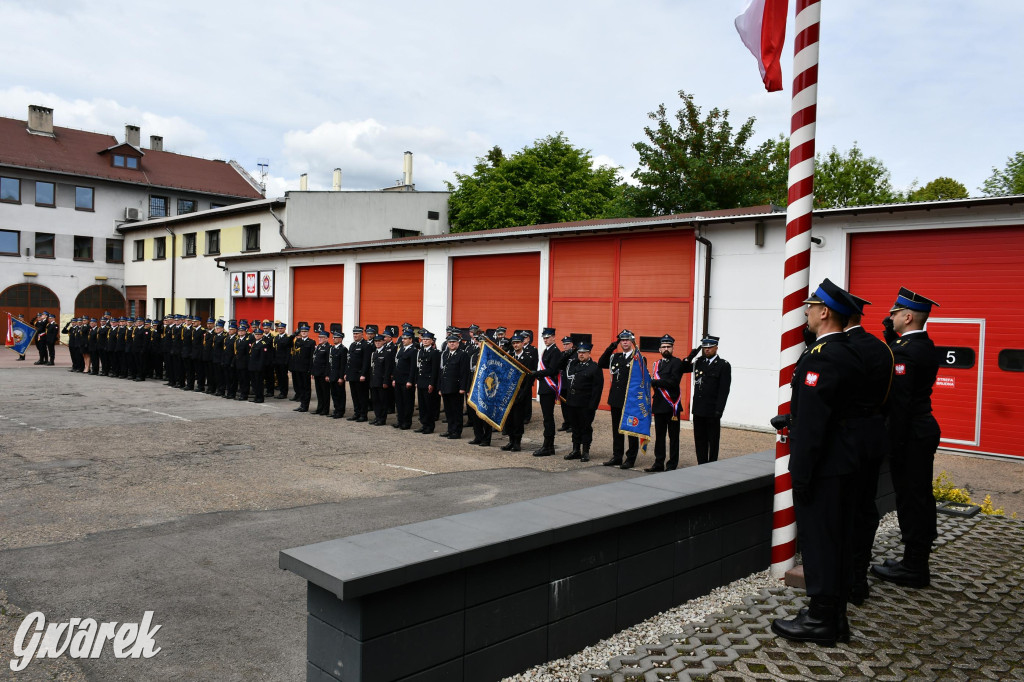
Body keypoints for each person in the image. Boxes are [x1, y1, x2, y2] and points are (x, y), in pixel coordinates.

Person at [771, 278, 864, 646]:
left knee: (820, 542)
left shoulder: (824, 356)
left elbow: (814, 425)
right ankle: (833, 615)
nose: (806, 312)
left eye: (810, 307)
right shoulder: (849, 350)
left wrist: (802, 472)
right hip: (844, 462)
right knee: (836, 539)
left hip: (824, 467)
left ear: (824, 312)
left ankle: (821, 620)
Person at [871, 287, 941, 590]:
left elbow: (900, 403)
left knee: (913, 499)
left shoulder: (906, 351)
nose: (891, 317)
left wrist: (893, 443)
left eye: (895, 312)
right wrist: (892, 342)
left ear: (908, 316)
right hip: (920, 429)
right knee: (917, 496)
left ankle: (914, 567)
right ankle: (913, 560)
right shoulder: (922, 345)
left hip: (910, 433)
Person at [843, 293, 895, 605]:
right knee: (864, 509)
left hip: (844, 442)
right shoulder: (881, 348)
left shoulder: (838, 348)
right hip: (873, 436)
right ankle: (858, 577)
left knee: (843, 512)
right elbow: (889, 397)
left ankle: (844, 580)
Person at [599, 330, 642, 469]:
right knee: (617, 430)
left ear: (632, 341)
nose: (625, 342)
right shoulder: (615, 357)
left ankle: (630, 458)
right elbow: (601, 362)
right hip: (616, 399)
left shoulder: (638, 357)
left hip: (630, 400)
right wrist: (611, 347)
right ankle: (617, 456)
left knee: (631, 430)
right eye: (622, 340)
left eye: (627, 340)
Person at [647, 334, 690, 472]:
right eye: (664, 346)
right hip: (659, 405)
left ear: (672, 348)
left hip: (672, 406)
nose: (666, 349)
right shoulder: (656, 364)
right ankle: (658, 463)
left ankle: (672, 464)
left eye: (669, 346)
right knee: (659, 437)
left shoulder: (676, 363)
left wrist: (655, 382)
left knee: (673, 437)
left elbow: (673, 382)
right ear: (659, 349)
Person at [686, 335, 732, 464]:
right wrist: (690, 357)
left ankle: (712, 465)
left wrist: (719, 409)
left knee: (713, 440)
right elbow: (682, 368)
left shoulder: (723, 365)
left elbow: (724, 390)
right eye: (705, 347)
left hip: (712, 410)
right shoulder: (699, 362)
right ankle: (701, 464)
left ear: (716, 347)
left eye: (710, 347)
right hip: (698, 409)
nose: (707, 349)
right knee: (699, 439)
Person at [532, 328, 570, 457]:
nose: (545, 340)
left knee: (548, 418)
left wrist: (537, 373)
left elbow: (552, 370)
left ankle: (548, 446)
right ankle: (548, 445)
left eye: (548, 337)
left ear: (553, 337)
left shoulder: (555, 351)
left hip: (549, 388)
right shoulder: (547, 351)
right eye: (544, 338)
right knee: (546, 418)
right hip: (544, 387)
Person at [562, 342, 603, 462]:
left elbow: (597, 389)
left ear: (589, 353)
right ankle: (576, 450)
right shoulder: (574, 364)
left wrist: (593, 406)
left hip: (586, 404)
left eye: (584, 352)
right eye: (579, 352)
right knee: (575, 427)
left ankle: (585, 451)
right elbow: (560, 364)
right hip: (572, 402)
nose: (581, 355)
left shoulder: (594, 368)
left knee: (585, 427)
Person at [501, 334, 538, 452]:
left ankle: (517, 442)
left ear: (522, 343)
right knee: (509, 418)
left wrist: (524, 393)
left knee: (518, 419)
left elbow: (530, 377)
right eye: (514, 343)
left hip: (521, 392)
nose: (515, 345)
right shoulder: (510, 356)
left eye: (518, 343)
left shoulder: (528, 358)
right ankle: (511, 441)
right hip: (509, 392)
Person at [438, 333, 470, 439]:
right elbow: (441, 372)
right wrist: (440, 387)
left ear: (458, 343)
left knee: (456, 411)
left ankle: (457, 431)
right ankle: (450, 429)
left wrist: (462, 388)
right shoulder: (445, 354)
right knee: (448, 410)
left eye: (454, 342)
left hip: (456, 387)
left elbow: (464, 373)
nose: (451, 344)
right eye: (450, 342)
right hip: (446, 386)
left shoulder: (462, 354)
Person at [415, 331, 441, 434]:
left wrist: (432, 383)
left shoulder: (434, 352)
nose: (425, 341)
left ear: (431, 341)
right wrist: (416, 381)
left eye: (427, 340)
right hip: (421, 381)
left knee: (429, 405)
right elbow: (418, 368)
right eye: (423, 339)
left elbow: (435, 370)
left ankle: (430, 426)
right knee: (422, 406)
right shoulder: (421, 351)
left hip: (428, 382)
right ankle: (424, 424)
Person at [392, 330, 417, 429]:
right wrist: (394, 378)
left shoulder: (413, 350)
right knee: (399, 402)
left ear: (411, 339)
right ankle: (400, 420)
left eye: (405, 339)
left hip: (406, 380)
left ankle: (406, 422)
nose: (403, 340)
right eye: (403, 339)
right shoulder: (401, 349)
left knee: (407, 402)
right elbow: (397, 365)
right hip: (398, 379)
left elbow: (413, 367)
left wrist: (410, 380)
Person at [346, 326, 372, 422]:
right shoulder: (352, 345)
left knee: (362, 396)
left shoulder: (366, 345)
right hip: (352, 374)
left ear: (362, 334)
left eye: (357, 334)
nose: (355, 335)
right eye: (354, 334)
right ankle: (356, 413)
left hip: (360, 375)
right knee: (354, 396)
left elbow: (366, 362)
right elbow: (349, 360)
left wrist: (363, 374)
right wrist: (346, 372)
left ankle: (363, 415)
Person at [369, 333, 393, 425]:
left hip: (382, 381)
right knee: (375, 400)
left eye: (379, 341)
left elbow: (388, 369)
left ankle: (382, 419)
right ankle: (377, 416)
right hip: (374, 380)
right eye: (376, 341)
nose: (377, 343)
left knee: (382, 401)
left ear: (383, 342)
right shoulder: (374, 353)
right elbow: (372, 368)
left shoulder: (387, 353)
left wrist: (386, 381)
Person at [290, 322, 315, 412]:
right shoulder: (297, 341)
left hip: (305, 368)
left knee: (306, 388)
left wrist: (310, 369)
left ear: (308, 332)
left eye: (305, 331)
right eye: (302, 331)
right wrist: (293, 335)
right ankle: (301, 404)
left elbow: (312, 357)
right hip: (297, 368)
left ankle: (305, 406)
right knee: (300, 387)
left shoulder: (311, 342)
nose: (304, 333)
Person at [311, 327, 332, 416]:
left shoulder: (328, 347)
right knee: (319, 392)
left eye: (322, 337)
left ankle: (325, 409)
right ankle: (319, 408)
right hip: (317, 373)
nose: (319, 338)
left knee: (325, 392)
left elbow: (328, 363)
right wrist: (313, 372)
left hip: (323, 373)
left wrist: (327, 374)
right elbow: (314, 360)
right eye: (319, 337)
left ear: (326, 338)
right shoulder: (318, 347)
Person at [328, 328, 348, 418]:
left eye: (335, 337)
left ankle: (340, 411)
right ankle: (336, 409)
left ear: (340, 339)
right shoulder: (332, 348)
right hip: (332, 374)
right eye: (333, 337)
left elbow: (343, 365)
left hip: (338, 375)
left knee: (340, 394)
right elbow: (330, 363)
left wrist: (341, 377)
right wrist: (328, 374)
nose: (334, 339)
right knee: (334, 394)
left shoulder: (343, 349)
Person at [248, 326, 271, 403]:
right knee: (254, 383)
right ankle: (256, 396)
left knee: (259, 383)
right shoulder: (254, 343)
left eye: (259, 334)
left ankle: (260, 398)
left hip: (259, 367)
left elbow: (263, 358)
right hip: (253, 366)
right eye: (256, 334)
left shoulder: (263, 344)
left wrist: (260, 367)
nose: (257, 335)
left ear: (262, 335)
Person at [273, 322, 291, 399]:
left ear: (285, 329)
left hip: (283, 361)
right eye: (279, 328)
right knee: (279, 377)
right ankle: (281, 391)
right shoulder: (276, 337)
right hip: (277, 361)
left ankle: (284, 392)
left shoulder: (287, 338)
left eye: (281, 328)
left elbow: (288, 351)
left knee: (284, 377)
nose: (280, 330)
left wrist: (287, 361)